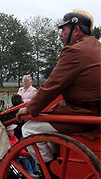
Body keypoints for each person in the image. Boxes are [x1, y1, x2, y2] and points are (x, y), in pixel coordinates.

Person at [16, 9, 100, 165]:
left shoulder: (74, 51)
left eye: (64, 29)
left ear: (76, 29)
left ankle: (51, 176)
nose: (61, 34)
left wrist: (29, 108)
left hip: (81, 114)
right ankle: (58, 162)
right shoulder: (96, 47)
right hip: (95, 112)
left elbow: (53, 85)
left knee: (29, 129)